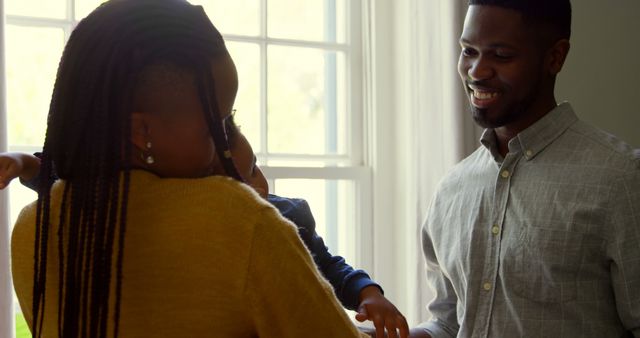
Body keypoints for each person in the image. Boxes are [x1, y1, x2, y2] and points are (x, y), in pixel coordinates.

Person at [9, 0, 371, 337]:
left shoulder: (34, 230)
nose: (233, 147)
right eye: (219, 125)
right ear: (142, 132)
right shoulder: (240, 221)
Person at [1, 116, 410, 338]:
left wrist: (368, 292)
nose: (259, 186)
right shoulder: (198, 221)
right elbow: (84, 179)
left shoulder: (287, 214)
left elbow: (330, 264)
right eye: (242, 180)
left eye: (255, 170)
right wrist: (26, 163)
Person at [410, 0, 640, 337]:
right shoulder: (451, 189)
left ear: (555, 58)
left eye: (501, 56)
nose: (477, 71)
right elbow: (450, 322)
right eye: (469, 51)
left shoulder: (621, 178)